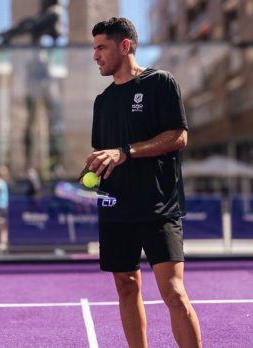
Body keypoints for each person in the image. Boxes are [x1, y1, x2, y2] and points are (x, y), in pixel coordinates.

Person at [85, 18, 202, 347]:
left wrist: (124, 152)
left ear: (125, 46)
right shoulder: (102, 101)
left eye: (101, 47)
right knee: (126, 285)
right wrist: (94, 165)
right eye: (94, 48)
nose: (95, 55)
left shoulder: (160, 82)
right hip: (115, 207)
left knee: (174, 293)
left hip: (158, 206)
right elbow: (103, 151)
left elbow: (179, 136)